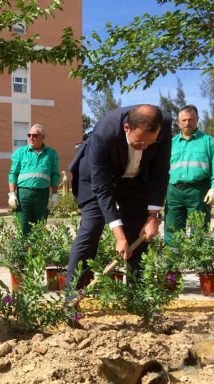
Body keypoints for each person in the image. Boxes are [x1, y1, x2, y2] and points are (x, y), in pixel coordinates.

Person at [66, 105, 172, 294]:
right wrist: (118, 235)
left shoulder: (164, 124)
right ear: (126, 128)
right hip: (96, 179)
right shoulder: (104, 132)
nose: (145, 147)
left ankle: (136, 295)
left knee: (139, 231)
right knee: (91, 228)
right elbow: (102, 187)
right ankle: (71, 297)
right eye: (139, 143)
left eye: (150, 143)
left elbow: (160, 170)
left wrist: (153, 215)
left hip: (135, 179)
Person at [164, 104, 214, 244]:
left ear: (197, 119)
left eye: (190, 119)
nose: (187, 123)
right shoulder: (171, 144)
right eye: (183, 120)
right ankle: (172, 264)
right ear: (178, 121)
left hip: (198, 191)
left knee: (199, 230)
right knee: (172, 230)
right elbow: (163, 170)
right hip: (173, 192)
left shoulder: (208, 142)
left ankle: (198, 265)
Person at [8, 124, 60, 235]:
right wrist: (12, 194)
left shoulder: (51, 154)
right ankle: (23, 251)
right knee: (23, 224)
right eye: (29, 135)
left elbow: (55, 174)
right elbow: (13, 174)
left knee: (40, 225)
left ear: (43, 137)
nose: (31, 137)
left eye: (35, 135)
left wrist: (55, 194)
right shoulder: (20, 153)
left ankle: (37, 251)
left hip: (42, 194)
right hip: (23, 194)